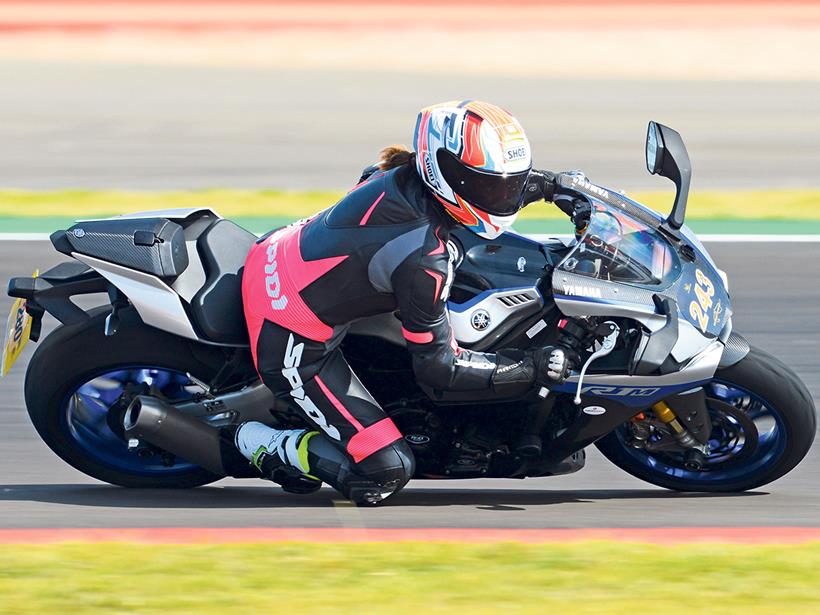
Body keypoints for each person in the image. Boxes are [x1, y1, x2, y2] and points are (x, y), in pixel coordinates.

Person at [230, 100, 589, 505]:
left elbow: (479, 191)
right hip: (291, 330)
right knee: (386, 469)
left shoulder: (400, 172)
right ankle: (252, 439)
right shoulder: (423, 260)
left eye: (510, 183)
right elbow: (440, 370)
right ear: (444, 170)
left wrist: (552, 185)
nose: (504, 196)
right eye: (493, 186)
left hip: (280, 250)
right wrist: (529, 368)